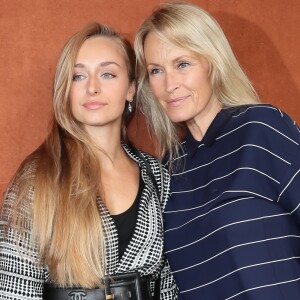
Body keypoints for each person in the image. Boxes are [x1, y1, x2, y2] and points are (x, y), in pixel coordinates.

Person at [0, 22, 178, 300]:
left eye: (107, 74)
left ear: (131, 89)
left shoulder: (158, 175)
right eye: (78, 76)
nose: (92, 88)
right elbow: (13, 290)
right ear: (65, 90)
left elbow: (167, 285)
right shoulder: (38, 178)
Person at [134, 2, 300, 299]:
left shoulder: (261, 129)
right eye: (156, 70)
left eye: (182, 64)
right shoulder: (170, 167)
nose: (169, 84)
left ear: (213, 61)